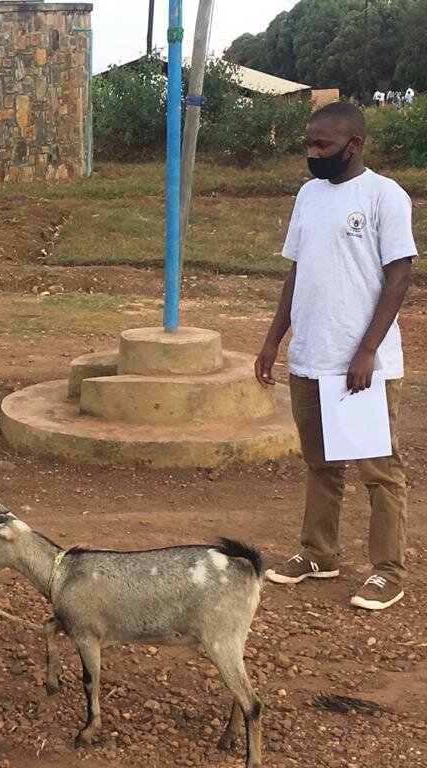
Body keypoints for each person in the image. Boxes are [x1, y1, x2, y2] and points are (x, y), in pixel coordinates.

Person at [255, 101, 417, 611]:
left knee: (379, 470)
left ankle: (388, 570)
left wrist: (367, 349)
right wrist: (273, 339)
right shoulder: (308, 196)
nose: (312, 153)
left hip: (361, 363)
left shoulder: (384, 197)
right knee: (321, 464)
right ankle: (319, 553)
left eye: (321, 145)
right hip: (309, 357)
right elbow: (296, 270)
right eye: (309, 144)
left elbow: (400, 275)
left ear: (354, 145)